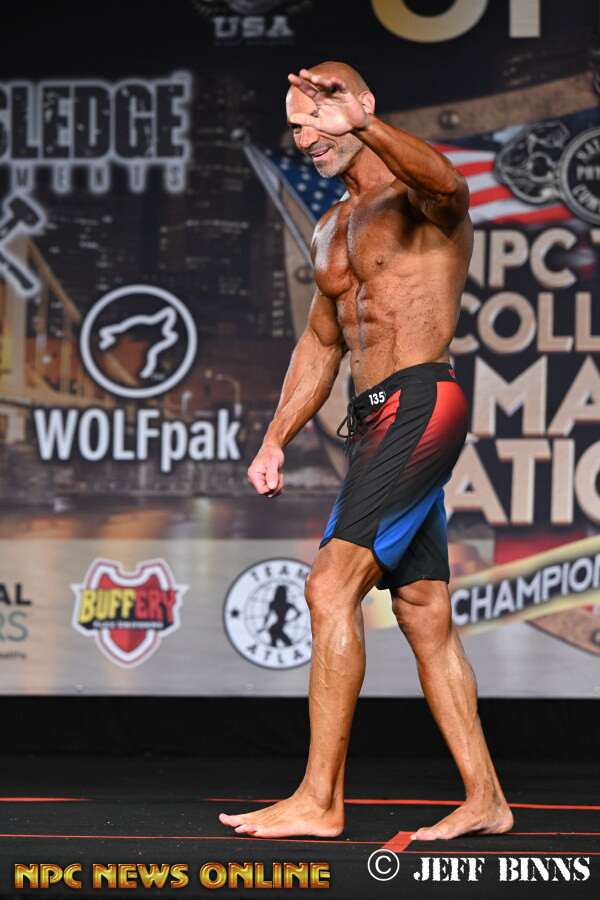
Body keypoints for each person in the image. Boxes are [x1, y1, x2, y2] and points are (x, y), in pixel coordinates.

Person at [219, 62, 513, 841]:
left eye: (320, 119)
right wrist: (274, 439)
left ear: (362, 109)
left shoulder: (422, 201)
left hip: (420, 403)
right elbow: (321, 345)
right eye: (297, 125)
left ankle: (319, 800)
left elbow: (450, 181)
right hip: (374, 420)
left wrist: (364, 124)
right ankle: (486, 797)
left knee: (328, 588)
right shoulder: (330, 227)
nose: (306, 137)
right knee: (422, 610)